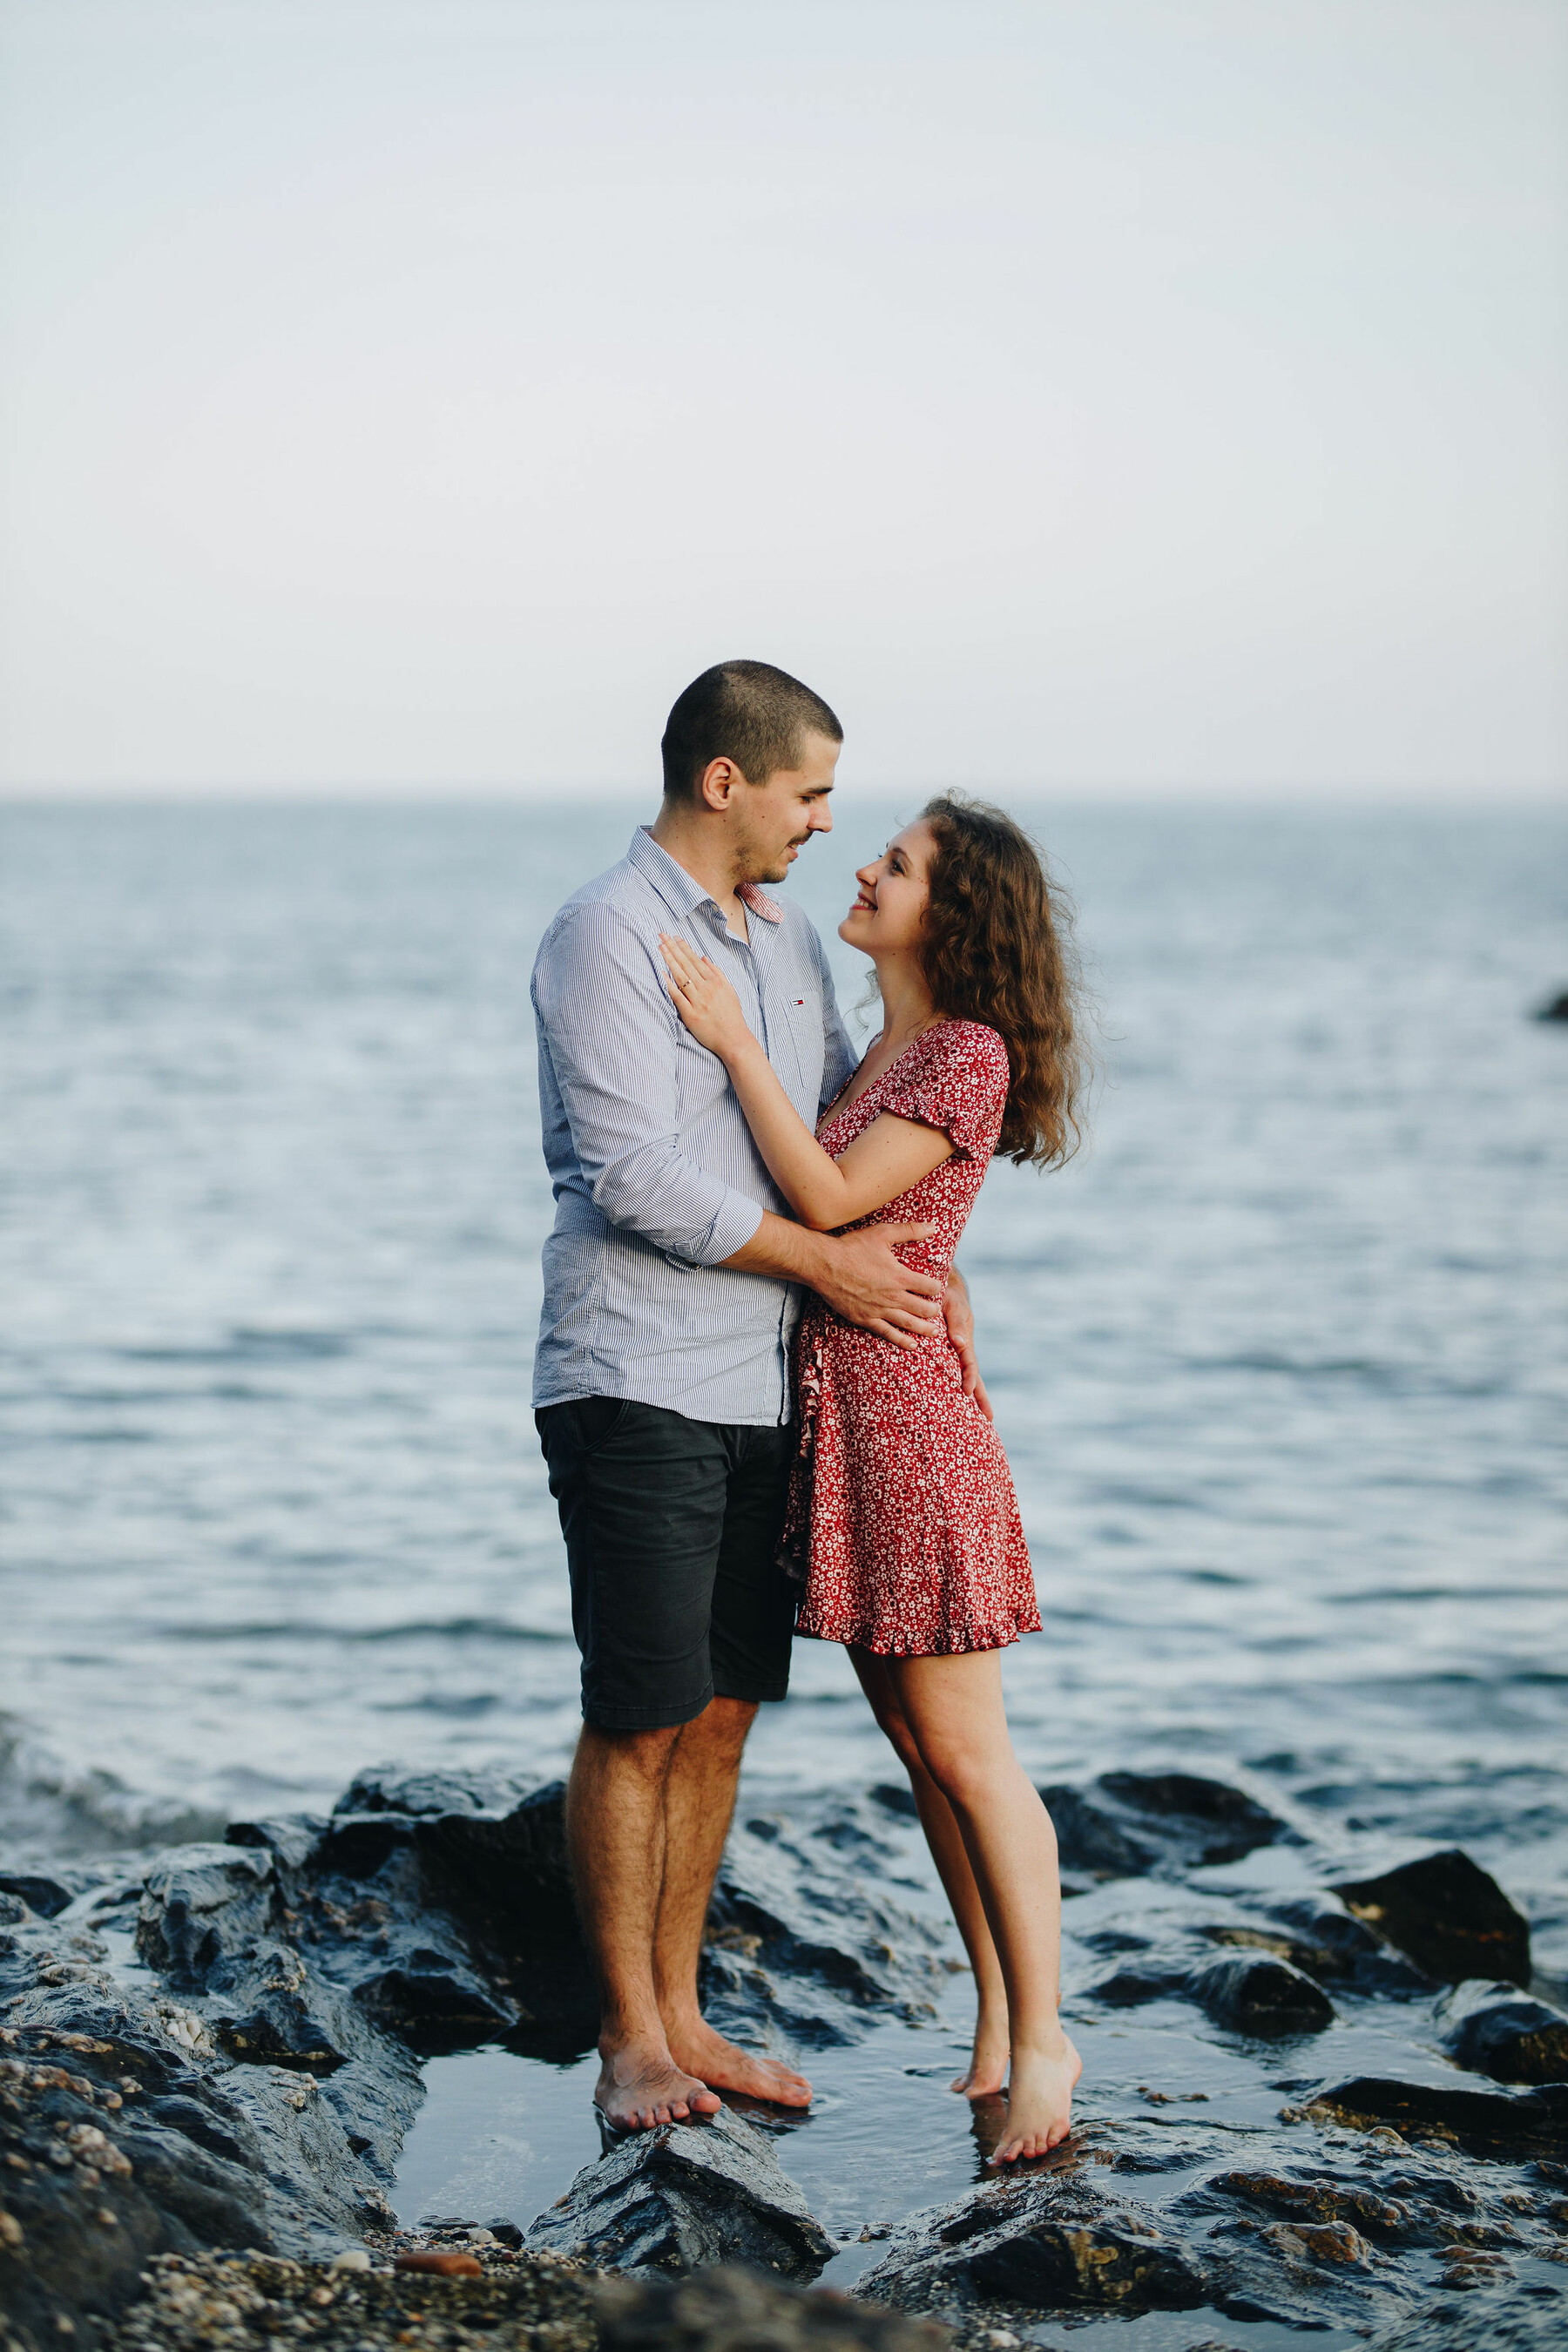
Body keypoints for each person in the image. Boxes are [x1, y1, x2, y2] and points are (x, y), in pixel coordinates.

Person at [531, 663, 989, 2132]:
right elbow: (634, 1177)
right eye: (810, 794)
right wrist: (832, 1269)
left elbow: (844, 1127)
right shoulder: (606, 934)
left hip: (772, 1391)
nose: (822, 826)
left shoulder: (787, 943)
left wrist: (921, 1270)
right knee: (640, 1712)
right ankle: (630, 2046)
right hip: (640, 1374)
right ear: (727, 782)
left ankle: (687, 2015)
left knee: (722, 1714)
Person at [657, 794, 1086, 2162]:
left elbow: (829, 1207)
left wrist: (730, 1040)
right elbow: (891, 1211)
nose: (866, 867)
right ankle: (997, 2020)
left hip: (908, 1428)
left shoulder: (966, 1051)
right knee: (920, 1752)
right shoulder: (892, 1046)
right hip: (848, 1423)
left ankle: (1047, 2043)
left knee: (970, 1750)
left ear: (947, 916)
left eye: (894, 864)